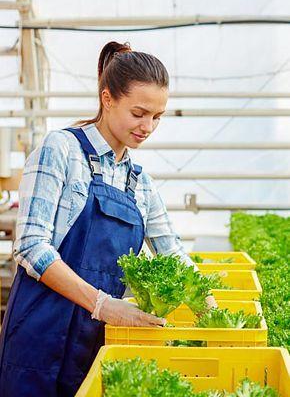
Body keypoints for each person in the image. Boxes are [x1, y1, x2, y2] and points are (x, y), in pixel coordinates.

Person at [0, 41, 216, 397]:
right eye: (139, 113)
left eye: (157, 117)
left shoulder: (140, 183)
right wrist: (102, 304)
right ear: (108, 99)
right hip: (40, 332)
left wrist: (212, 312)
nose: (148, 126)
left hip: (98, 341)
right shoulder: (61, 149)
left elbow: (173, 254)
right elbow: (30, 246)